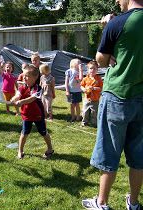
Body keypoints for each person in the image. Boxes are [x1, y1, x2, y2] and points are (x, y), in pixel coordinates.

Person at [82, 0, 143, 209]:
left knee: (109, 151)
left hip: (117, 95)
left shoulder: (117, 24)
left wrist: (107, 27)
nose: (117, 1)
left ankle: (102, 202)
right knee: (139, 155)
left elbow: (100, 59)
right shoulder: (120, 22)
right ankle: (133, 203)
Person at [10, 65, 54, 159]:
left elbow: (32, 98)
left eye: (27, 76)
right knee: (24, 132)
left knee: (43, 132)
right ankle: (20, 151)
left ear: (35, 77)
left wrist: (21, 102)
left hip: (38, 114)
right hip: (26, 115)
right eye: (24, 75)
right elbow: (18, 94)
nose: (24, 78)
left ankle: (50, 149)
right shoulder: (22, 87)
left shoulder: (38, 88)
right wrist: (14, 99)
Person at [80, 61, 103, 127]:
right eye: (91, 68)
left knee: (94, 112)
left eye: (94, 69)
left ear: (97, 70)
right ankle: (84, 122)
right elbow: (81, 85)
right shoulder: (85, 78)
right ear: (88, 69)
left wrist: (94, 88)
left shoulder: (98, 79)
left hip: (95, 99)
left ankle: (94, 123)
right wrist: (84, 89)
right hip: (87, 99)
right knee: (85, 111)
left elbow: (101, 88)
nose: (92, 70)